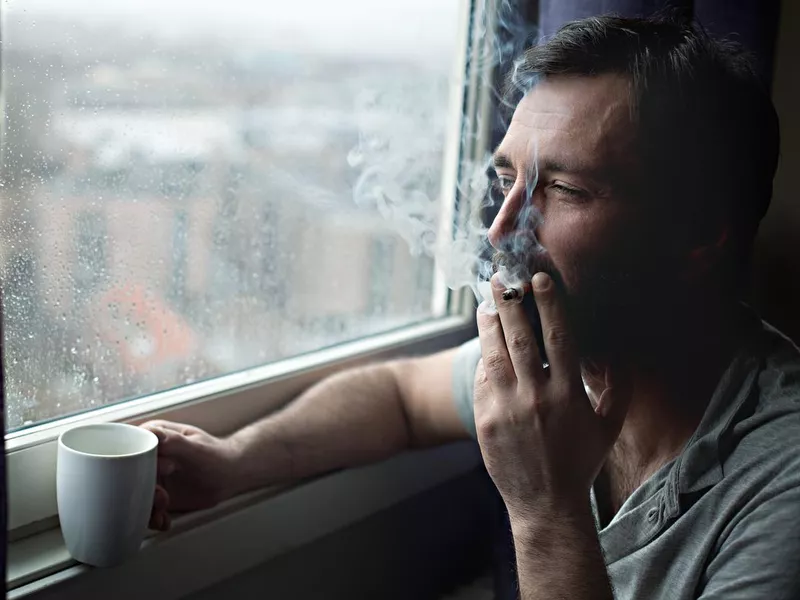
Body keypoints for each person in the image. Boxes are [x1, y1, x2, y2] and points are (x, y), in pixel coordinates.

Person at [143, 15, 800, 599]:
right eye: (507, 180)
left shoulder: (781, 483)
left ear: (696, 240)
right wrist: (234, 462)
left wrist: (546, 509)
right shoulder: (567, 357)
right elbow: (400, 395)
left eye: (564, 188)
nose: (500, 232)